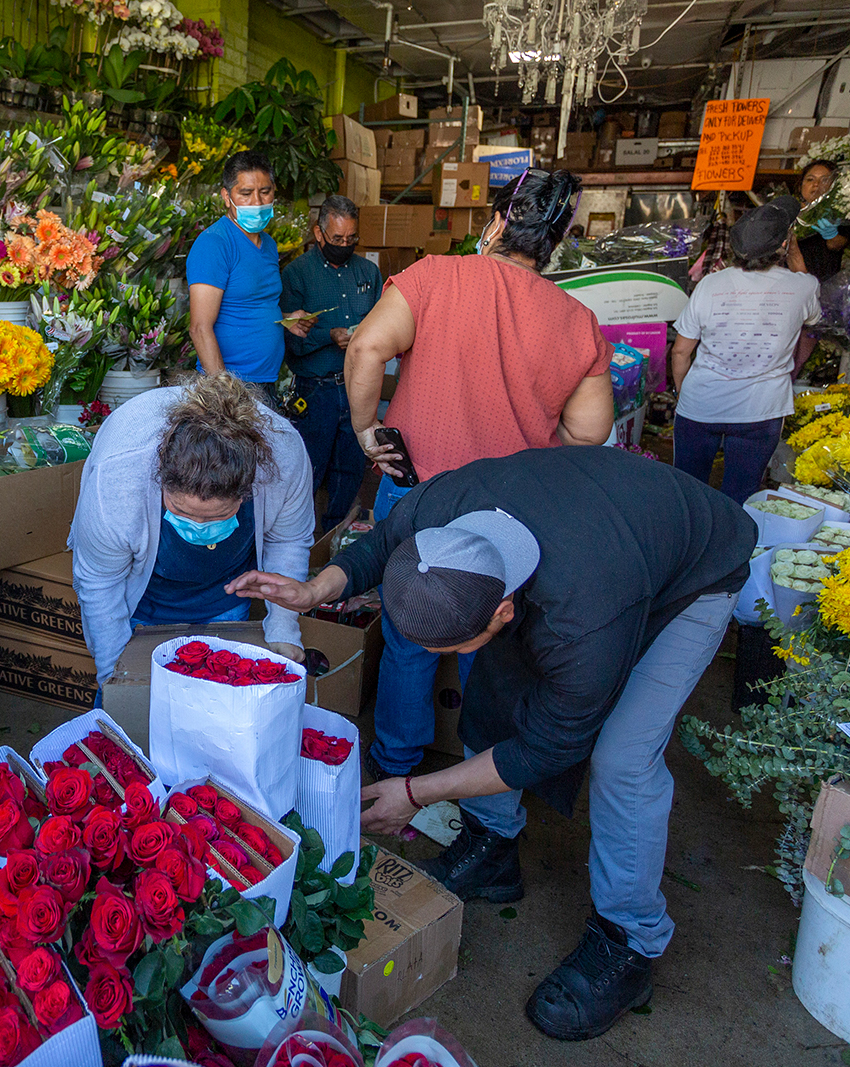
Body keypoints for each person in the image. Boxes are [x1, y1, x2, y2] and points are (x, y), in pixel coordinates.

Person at [227, 446, 757, 1042]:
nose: (434, 660)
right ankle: (494, 847)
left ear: (506, 608)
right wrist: (314, 588)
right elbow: (382, 543)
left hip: (692, 571)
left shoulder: (584, 619)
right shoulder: (443, 506)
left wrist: (416, 791)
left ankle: (629, 941)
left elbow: (552, 746)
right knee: (497, 686)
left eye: (445, 648)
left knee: (622, 759)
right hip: (595, 522)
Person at [341, 168, 616, 782]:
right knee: (489, 643)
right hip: (509, 512)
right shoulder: (576, 320)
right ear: (559, 239)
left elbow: (365, 349)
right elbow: (589, 434)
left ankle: (394, 767)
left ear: (496, 222)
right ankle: (476, 787)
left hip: (417, 489)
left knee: (408, 634)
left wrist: (367, 433)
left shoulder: (435, 276)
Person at [69, 373, 314, 690]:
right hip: (140, 602)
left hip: (226, 599)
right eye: (182, 512)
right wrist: (114, 675)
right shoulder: (119, 476)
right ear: (161, 479)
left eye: (219, 516)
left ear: (246, 491)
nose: (198, 527)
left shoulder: (284, 456)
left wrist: (283, 628)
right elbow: (100, 581)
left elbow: (288, 540)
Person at [670, 196, 820, 505]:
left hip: (701, 404)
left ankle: (685, 549)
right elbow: (811, 315)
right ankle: (732, 550)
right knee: (741, 495)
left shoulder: (710, 285)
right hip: (761, 410)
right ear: (781, 244)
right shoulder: (803, 287)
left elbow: (681, 352)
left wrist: (684, 393)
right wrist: (792, 248)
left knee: (687, 491)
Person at [278, 195, 381, 534]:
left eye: (352, 239)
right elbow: (290, 337)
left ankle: (333, 544)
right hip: (316, 390)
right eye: (337, 239)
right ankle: (298, 546)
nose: (345, 245)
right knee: (307, 472)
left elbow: (384, 324)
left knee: (350, 471)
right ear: (318, 233)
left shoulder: (368, 272)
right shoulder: (296, 274)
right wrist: (328, 335)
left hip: (357, 388)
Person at [187, 150, 312, 385]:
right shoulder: (214, 244)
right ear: (226, 196)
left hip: (265, 382)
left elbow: (253, 304)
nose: (257, 202)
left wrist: (287, 319)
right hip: (232, 387)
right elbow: (199, 328)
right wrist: (224, 392)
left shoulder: (269, 244)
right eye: (246, 193)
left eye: (265, 192)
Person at [789, 160, 850, 281]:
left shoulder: (842, 213)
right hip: (788, 282)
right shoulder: (788, 212)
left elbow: (837, 245)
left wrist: (831, 234)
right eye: (810, 179)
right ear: (800, 185)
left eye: (824, 180)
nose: (816, 184)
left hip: (824, 282)